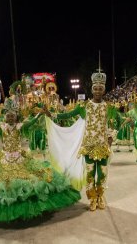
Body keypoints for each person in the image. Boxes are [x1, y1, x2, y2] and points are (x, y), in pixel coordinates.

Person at [0, 98, 80, 223]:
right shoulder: (1, 127)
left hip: (20, 159)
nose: (10, 118)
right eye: (8, 116)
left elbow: (31, 122)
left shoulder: (20, 126)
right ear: (5, 116)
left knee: (30, 180)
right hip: (4, 160)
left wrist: (40, 113)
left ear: (16, 117)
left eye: (12, 116)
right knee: (1, 184)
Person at [47, 68, 115, 211]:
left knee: (102, 174)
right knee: (90, 173)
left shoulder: (108, 107)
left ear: (104, 90)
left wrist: (110, 139)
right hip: (89, 146)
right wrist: (51, 114)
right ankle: (92, 198)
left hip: (103, 147)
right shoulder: (84, 106)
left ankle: (100, 196)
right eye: (95, 88)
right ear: (92, 89)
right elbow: (66, 115)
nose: (97, 91)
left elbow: (114, 123)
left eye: (100, 88)